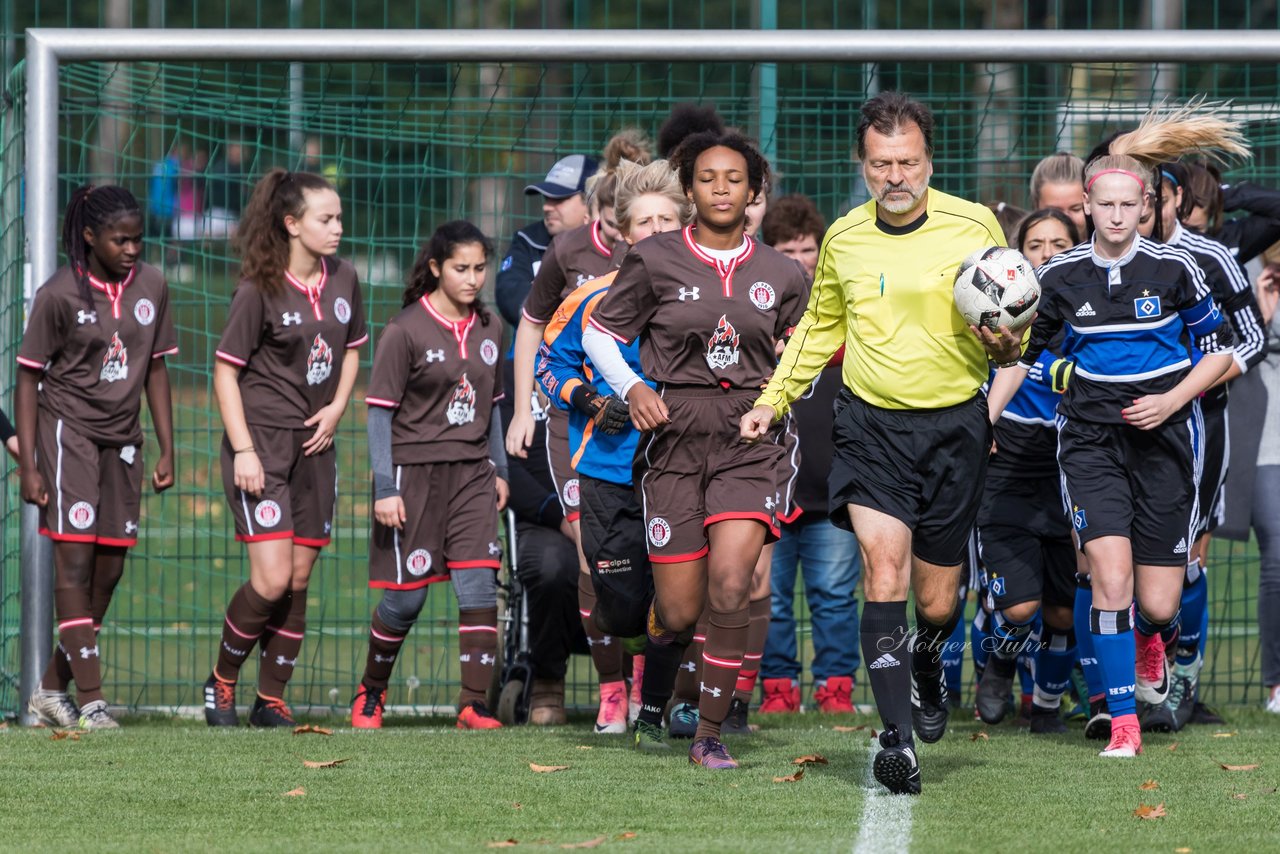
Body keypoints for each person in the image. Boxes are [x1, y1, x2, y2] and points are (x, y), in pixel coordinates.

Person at [741, 92, 1018, 795]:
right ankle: (897, 741)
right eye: (880, 165)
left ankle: (927, 666)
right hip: (870, 428)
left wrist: (1011, 339)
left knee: (935, 602)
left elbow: (1017, 318)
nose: (895, 177)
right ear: (861, 165)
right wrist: (771, 401)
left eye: (908, 163)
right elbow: (818, 328)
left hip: (955, 424)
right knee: (883, 575)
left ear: (929, 162)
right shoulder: (845, 237)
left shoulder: (974, 223)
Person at [985, 110, 1244, 759]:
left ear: (1147, 206)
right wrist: (980, 421)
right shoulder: (1061, 276)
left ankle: (1154, 641)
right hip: (1090, 445)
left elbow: (1222, 348)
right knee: (1109, 578)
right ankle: (1122, 722)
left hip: (1163, 444)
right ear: (1089, 208)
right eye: (1107, 205)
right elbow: (1024, 357)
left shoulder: (1176, 271)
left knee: (1159, 602)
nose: (1119, 216)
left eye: (1131, 204)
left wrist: (1174, 399)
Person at [585, 130, 809, 769]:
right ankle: (653, 700)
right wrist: (631, 389)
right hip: (674, 436)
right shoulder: (654, 258)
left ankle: (710, 733)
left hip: (749, 435)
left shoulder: (783, 272)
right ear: (689, 190)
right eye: (707, 177)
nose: (720, 187)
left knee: (733, 581)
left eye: (733, 178)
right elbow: (601, 334)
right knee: (678, 611)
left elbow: (804, 352)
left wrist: (778, 398)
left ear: (753, 190)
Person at [536, 157, 693, 749]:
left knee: (682, 600)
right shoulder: (590, 299)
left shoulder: (699, 299)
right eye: (643, 222)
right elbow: (548, 365)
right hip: (607, 471)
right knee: (626, 612)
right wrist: (589, 400)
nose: (654, 231)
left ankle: (670, 703)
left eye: (666, 220)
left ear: (684, 226)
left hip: (680, 471)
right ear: (624, 234)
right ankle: (626, 665)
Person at [203, 169, 365, 728]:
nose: (338, 227)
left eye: (339, 216)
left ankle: (269, 699)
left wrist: (339, 406)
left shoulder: (344, 278)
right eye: (326, 218)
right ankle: (220, 683)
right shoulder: (259, 288)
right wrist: (244, 450)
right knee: (270, 578)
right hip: (263, 447)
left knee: (298, 579)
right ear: (292, 224)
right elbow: (224, 375)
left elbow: (350, 352)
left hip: (316, 448)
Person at [506, 131, 652, 734]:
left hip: (652, 435)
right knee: (596, 562)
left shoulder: (673, 257)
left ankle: (649, 683)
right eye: (628, 221)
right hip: (579, 430)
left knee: (654, 559)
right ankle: (612, 689)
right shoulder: (567, 253)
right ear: (606, 216)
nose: (635, 232)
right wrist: (523, 407)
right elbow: (532, 328)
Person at [18, 184, 177, 730]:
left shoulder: (152, 285)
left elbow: (155, 367)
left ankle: (50, 690)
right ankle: (92, 702)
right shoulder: (59, 294)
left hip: (125, 441)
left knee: (109, 569)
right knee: (76, 562)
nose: (132, 249)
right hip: (68, 438)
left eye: (138, 239)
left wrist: (167, 445)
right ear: (90, 238)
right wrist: (30, 464)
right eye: (120, 240)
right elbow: (27, 378)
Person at [350, 221, 509, 731]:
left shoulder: (491, 328)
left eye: (480, 268)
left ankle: (472, 705)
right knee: (406, 597)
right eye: (461, 269)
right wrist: (385, 486)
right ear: (437, 268)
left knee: (480, 589)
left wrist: (500, 469)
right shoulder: (404, 330)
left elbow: (496, 407)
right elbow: (378, 414)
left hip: (472, 477)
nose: (472, 279)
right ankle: (370, 694)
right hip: (412, 476)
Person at [1138, 161, 1267, 732]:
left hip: (1198, 428)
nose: (1138, 208)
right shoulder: (1094, 262)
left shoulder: (1210, 257)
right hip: (1107, 430)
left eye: (1152, 196)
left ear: (1175, 199)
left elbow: (1253, 337)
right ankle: (1110, 689)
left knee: (1185, 558)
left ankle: (1182, 676)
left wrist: (1182, 391)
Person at [972, 210, 1081, 734]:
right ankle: (999, 664)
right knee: (1019, 607)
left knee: (1062, 612)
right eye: (1035, 243)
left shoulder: (1089, 310)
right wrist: (981, 425)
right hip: (1009, 462)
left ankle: (1045, 706)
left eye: (1059, 242)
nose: (1047, 252)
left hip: (1072, 462)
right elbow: (996, 373)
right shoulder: (992, 316)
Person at [757, 194, 863, 715]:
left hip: (830, 485)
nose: (798, 260)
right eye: (786, 249)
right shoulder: (755, 314)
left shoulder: (838, 311)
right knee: (770, 598)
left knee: (835, 594)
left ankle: (836, 688)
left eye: (807, 249)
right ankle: (776, 688)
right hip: (769, 486)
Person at [499, 361, 581, 727]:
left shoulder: (595, 363)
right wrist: (560, 517)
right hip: (542, 520)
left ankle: (638, 684)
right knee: (553, 566)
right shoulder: (506, 378)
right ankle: (548, 678)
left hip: (602, 508)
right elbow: (505, 466)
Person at [494, 154, 598, 328]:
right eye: (546, 198)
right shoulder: (528, 240)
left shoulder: (614, 242)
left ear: (590, 200)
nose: (546, 207)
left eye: (559, 198)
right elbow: (509, 291)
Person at [1030, 151, 1086, 236]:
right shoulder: (1012, 248)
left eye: (1076, 209)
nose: (1067, 219)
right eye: (1055, 211)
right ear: (1036, 206)